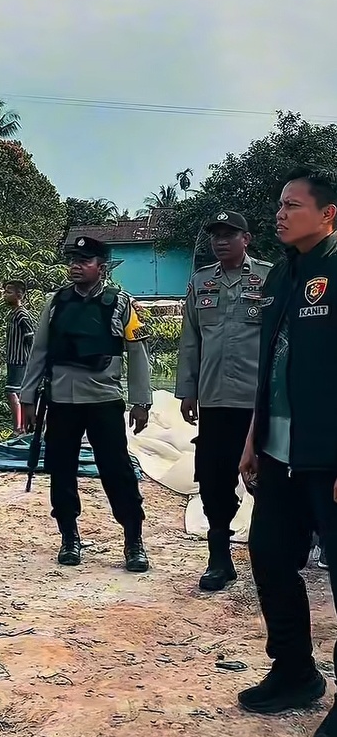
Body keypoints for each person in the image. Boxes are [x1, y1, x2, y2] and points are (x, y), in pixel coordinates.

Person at [238, 167, 337, 734]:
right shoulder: (282, 273)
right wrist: (255, 436)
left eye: (292, 205)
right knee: (271, 557)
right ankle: (295, 671)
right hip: (278, 450)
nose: (280, 213)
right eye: (279, 204)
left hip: (328, 454)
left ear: (328, 214)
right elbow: (270, 361)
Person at [20, 236, 152, 571]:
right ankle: (69, 536)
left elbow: (138, 354)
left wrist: (141, 401)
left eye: (84, 261)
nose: (76, 266)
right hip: (61, 400)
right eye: (73, 261)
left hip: (103, 400)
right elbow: (40, 351)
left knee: (117, 471)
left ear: (101, 267)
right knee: (61, 470)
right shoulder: (56, 302)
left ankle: (133, 540)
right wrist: (28, 397)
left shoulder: (121, 303)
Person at [176, 211, 273, 592]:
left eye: (229, 234)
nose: (220, 241)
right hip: (214, 401)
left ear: (246, 239)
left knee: (266, 480)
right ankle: (219, 559)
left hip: (257, 403)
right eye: (215, 235)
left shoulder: (268, 278)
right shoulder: (202, 281)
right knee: (214, 479)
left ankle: (270, 557)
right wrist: (188, 389)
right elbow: (191, 339)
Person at [3, 280, 35, 436]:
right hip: (12, 360)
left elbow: (31, 337)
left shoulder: (22, 315)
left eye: (9, 292)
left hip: (20, 361)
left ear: (19, 295)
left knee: (13, 392)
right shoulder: (13, 314)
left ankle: (19, 428)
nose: (5, 295)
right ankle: (21, 427)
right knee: (15, 392)